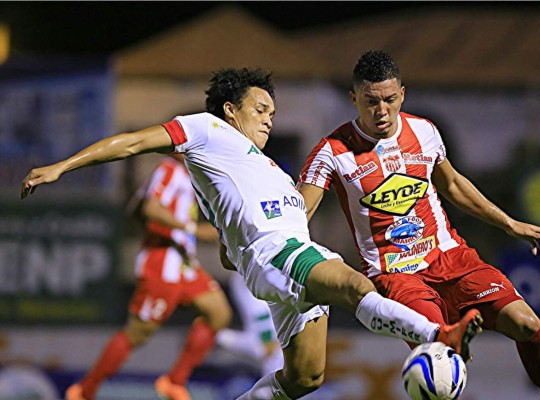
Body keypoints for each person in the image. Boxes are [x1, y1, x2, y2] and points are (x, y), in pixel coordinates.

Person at [21, 67, 482, 400]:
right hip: (279, 255)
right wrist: (63, 166)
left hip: (284, 258)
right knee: (353, 284)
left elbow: (226, 250)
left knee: (305, 378)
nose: (269, 119)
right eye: (260, 108)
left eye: (273, 112)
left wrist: (231, 244)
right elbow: (134, 143)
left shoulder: (268, 171)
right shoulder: (208, 131)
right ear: (229, 109)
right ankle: (437, 334)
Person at [297, 50, 540, 400]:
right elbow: (299, 212)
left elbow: (453, 184)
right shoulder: (332, 151)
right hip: (396, 276)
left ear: (402, 95)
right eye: (370, 102)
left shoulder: (424, 131)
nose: (381, 111)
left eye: (389, 100)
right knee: (442, 351)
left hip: (450, 257)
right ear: (354, 99)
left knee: (527, 324)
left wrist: (508, 223)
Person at [65, 154, 232, 400]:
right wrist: (193, 229)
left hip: (185, 265)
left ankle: (174, 381)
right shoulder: (170, 169)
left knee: (219, 313)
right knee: (137, 333)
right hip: (161, 267)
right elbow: (151, 208)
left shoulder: (190, 176)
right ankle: (84, 391)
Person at [216, 271, 284, 376]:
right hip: (271, 279)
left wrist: (217, 335)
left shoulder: (258, 349)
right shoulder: (293, 336)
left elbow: (225, 338)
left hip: (246, 282)